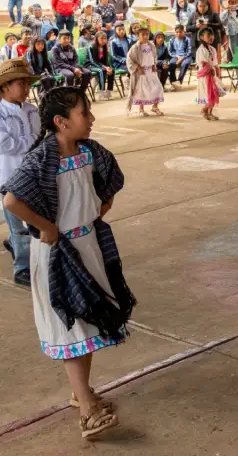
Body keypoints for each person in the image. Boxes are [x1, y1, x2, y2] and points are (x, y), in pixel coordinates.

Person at [1, 85, 134, 438]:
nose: (90, 119)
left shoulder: (90, 152)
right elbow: (13, 200)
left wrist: (101, 208)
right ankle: (87, 410)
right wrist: (47, 228)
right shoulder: (41, 159)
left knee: (88, 323)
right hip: (58, 254)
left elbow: (111, 180)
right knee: (71, 324)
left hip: (88, 246)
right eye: (83, 113)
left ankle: (81, 392)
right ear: (61, 122)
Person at [0, 59, 40, 287]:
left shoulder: (32, 110)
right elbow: (5, 144)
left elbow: (37, 139)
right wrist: (31, 140)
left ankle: (17, 247)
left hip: (32, 176)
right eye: (20, 83)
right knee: (18, 227)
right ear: (5, 86)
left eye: (27, 84)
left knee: (32, 222)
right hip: (9, 177)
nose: (26, 89)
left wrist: (27, 141)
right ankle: (22, 268)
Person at [126, 27, 164, 117]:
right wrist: (137, 66)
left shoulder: (151, 45)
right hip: (141, 73)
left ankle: (155, 107)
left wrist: (154, 64)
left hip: (151, 71)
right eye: (142, 35)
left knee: (158, 88)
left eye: (147, 34)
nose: (145, 36)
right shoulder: (135, 47)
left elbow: (154, 56)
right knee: (142, 91)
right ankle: (141, 109)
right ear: (138, 36)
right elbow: (129, 59)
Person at [196, 27, 223, 121]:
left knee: (214, 94)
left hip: (212, 75)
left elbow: (215, 63)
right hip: (205, 76)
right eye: (208, 35)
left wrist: (217, 72)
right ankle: (204, 110)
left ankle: (210, 113)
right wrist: (209, 69)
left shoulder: (212, 49)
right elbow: (203, 63)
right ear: (202, 37)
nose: (211, 37)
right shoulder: (201, 50)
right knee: (209, 95)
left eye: (212, 35)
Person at [87, 31, 115, 100]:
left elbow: (105, 61)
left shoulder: (104, 48)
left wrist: (108, 68)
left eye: (105, 39)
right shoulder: (91, 47)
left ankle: (108, 91)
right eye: (101, 39)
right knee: (101, 71)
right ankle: (101, 92)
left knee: (112, 70)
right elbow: (92, 61)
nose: (104, 41)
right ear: (96, 39)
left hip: (100, 65)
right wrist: (105, 67)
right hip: (90, 65)